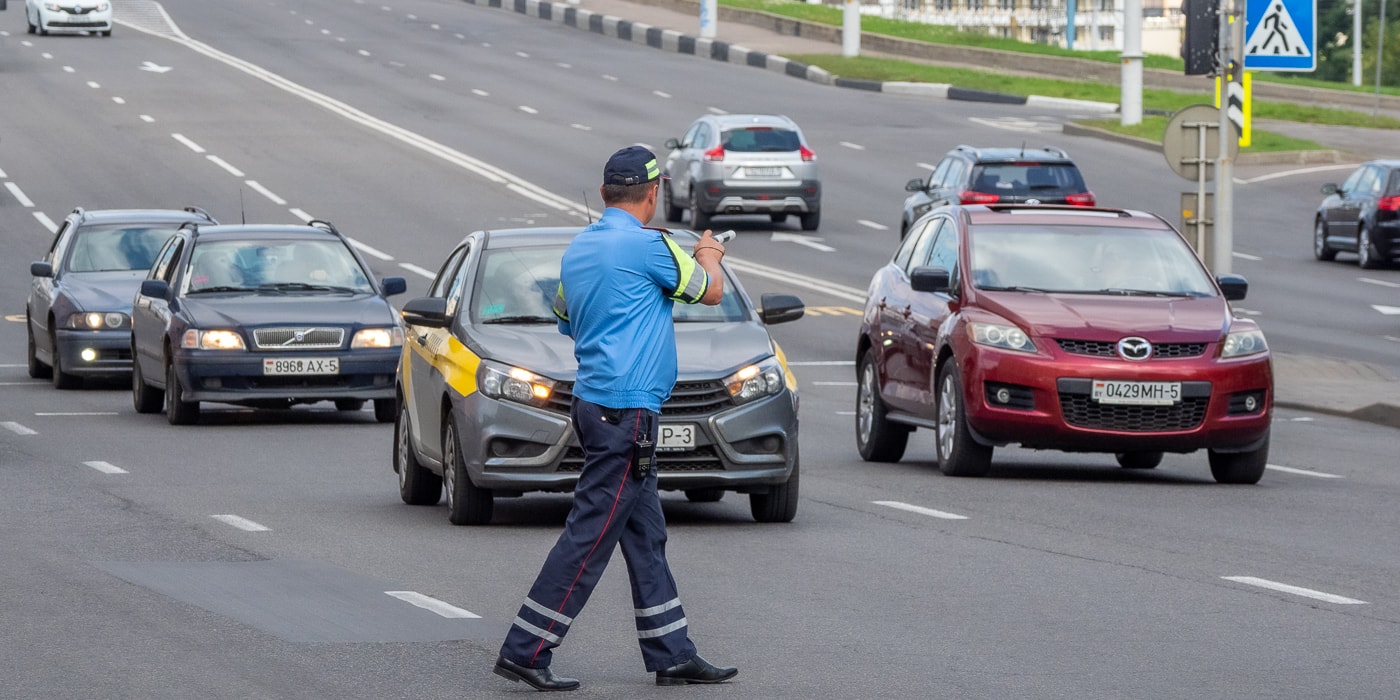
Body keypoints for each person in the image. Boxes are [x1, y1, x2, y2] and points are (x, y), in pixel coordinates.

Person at [493, 146, 736, 692]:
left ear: (605, 194)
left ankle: (672, 653)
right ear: (653, 194)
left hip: (594, 402)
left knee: (646, 536)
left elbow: (564, 316)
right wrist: (710, 252)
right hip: (628, 413)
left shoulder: (580, 249)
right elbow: (711, 290)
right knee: (589, 535)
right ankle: (526, 648)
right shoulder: (654, 246)